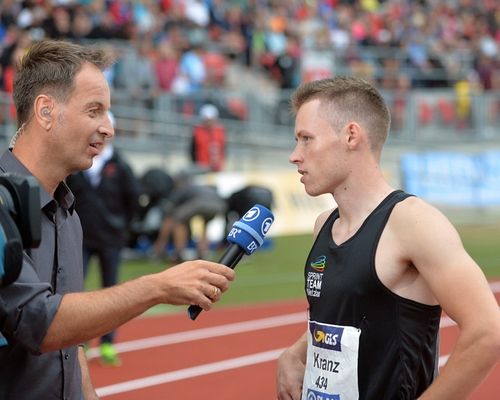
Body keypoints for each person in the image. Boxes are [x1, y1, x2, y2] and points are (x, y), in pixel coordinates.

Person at [0, 39, 234, 400]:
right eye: (94, 111)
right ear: (46, 111)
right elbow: (40, 323)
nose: (108, 128)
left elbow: (69, 343)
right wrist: (157, 287)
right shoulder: (2, 203)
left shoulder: (67, 212)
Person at [276, 76, 500, 400]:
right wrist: (297, 352)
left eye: (306, 139)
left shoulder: (412, 222)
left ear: (351, 135)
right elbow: (350, 315)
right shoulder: (324, 225)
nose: (295, 155)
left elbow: (487, 332)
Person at [66, 126, 140, 366]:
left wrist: (122, 227)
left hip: (111, 239)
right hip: (82, 237)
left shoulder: (120, 165)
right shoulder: (79, 160)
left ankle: (108, 343)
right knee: (76, 289)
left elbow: (133, 199)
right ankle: (79, 340)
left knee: (112, 291)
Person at [153, 174, 227, 262]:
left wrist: (161, 241)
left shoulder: (181, 189)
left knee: (178, 219)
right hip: (219, 205)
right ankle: (203, 252)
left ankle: (179, 253)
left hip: (201, 202)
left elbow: (169, 215)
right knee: (205, 225)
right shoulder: (197, 187)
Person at [190, 103, 226, 172]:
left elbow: (223, 149)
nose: (209, 122)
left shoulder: (220, 131)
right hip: (202, 166)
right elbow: (193, 150)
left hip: (216, 166)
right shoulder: (198, 131)